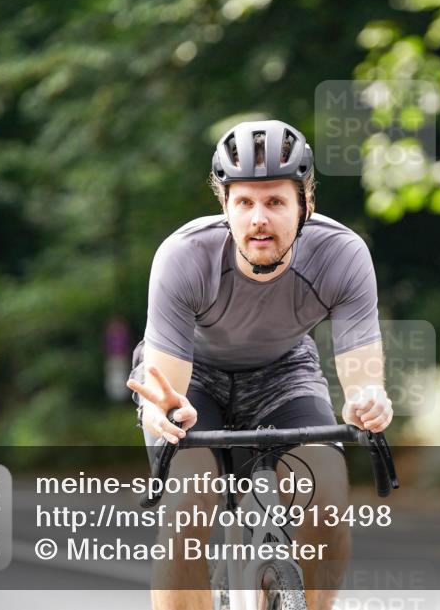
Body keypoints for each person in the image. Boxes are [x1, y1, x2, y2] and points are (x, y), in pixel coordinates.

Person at [127, 120, 392, 610]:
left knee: (327, 499)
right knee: (188, 506)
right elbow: (170, 386)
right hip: (191, 381)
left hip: (283, 373)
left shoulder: (342, 254)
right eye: (244, 202)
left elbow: (362, 380)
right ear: (224, 205)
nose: (258, 220)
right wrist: (165, 414)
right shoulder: (183, 257)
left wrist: (368, 401)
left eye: (275, 202)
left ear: (304, 205)